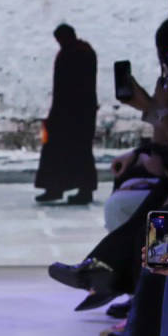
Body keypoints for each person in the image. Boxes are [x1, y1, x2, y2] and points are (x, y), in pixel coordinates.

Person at [34, 24, 98, 205]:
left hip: (70, 112)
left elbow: (65, 87)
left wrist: (55, 113)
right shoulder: (85, 52)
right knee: (79, 151)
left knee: (64, 151)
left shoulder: (71, 54)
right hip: (81, 111)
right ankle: (75, 189)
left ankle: (59, 188)